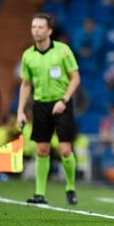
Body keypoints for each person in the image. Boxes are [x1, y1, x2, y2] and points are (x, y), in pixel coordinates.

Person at [17, 13, 80, 205]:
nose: (36, 30)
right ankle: (39, 194)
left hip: (62, 103)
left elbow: (75, 78)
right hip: (41, 105)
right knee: (42, 149)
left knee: (65, 150)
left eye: (40, 27)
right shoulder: (28, 55)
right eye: (33, 27)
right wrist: (20, 111)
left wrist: (64, 99)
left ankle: (70, 187)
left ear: (49, 30)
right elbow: (26, 84)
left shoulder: (63, 51)